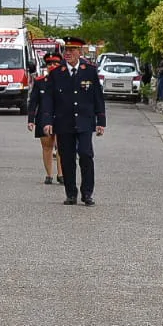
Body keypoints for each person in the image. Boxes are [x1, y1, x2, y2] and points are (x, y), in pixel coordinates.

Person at [41, 36, 106, 206]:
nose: (68, 53)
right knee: (67, 158)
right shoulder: (56, 73)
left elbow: (97, 97)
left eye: (71, 50)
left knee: (85, 155)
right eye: (65, 50)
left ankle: (87, 193)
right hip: (64, 122)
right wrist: (47, 121)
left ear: (80, 52)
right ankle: (71, 193)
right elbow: (48, 99)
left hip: (85, 121)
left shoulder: (89, 71)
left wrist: (101, 121)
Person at [27, 52, 63, 185]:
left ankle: (61, 174)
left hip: (60, 118)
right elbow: (33, 102)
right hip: (43, 117)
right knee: (47, 146)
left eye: (55, 63)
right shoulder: (40, 82)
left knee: (61, 147)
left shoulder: (65, 82)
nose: (52, 66)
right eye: (49, 64)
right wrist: (31, 120)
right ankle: (49, 175)